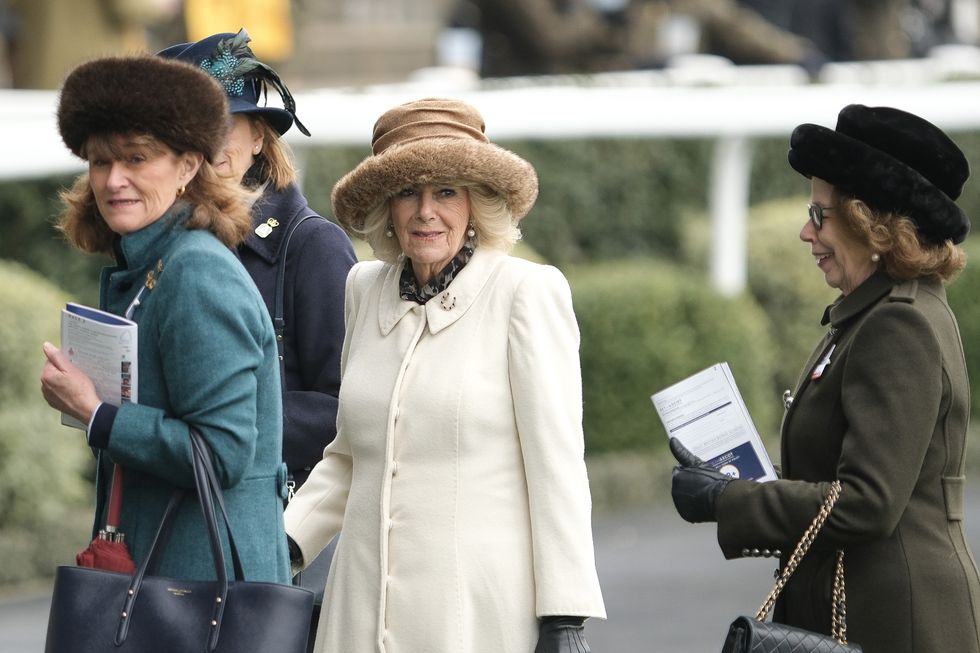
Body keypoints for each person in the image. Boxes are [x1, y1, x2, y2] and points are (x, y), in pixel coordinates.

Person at [284, 98, 606, 652]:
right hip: (357, 612)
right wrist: (282, 542)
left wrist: (564, 616)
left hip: (473, 617)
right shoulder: (363, 287)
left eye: (446, 192)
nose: (425, 211)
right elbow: (348, 455)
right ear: (387, 207)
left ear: (478, 204)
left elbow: (556, 469)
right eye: (408, 192)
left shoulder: (525, 293)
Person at [669, 104, 980, 652]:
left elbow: (867, 501)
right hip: (866, 607)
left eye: (819, 215)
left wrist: (731, 501)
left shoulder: (898, 323)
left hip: (894, 620)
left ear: (875, 226)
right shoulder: (877, 311)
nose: (804, 232)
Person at [39, 54, 290, 583]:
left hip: (203, 587)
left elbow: (221, 454)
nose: (113, 180)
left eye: (137, 158)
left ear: (188, 166)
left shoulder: (195, 272)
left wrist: (96, 413)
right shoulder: (155, 260)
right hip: (169, 575)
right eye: (100, 161)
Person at [158, 28, 357, 647]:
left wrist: (226, 421)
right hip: (186, 516)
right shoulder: (169, 247)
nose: (213, 142)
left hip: (285, 527)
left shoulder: (313, 245)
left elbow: (349, 412)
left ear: (259, 135)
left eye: (227, 122)